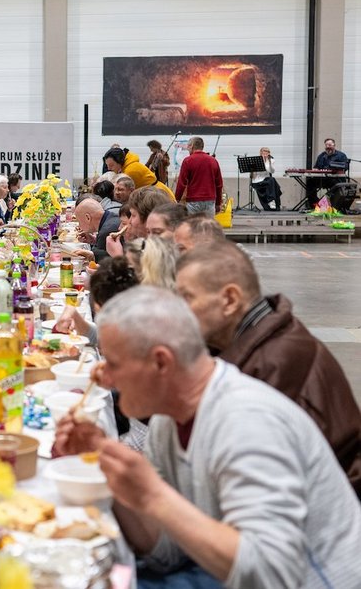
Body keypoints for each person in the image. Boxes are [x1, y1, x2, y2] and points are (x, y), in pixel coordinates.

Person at [57, 286, 361, 588]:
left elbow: (272, 573)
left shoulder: (246, 421)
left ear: (161, 362)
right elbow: (169, 551)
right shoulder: (167, 420)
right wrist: (109, 470)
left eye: (112, 363)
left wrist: (153, 495)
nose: (102, 377)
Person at [176, 241, 361, 495]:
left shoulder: (272, 364)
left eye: (187, 297)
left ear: (230, 300)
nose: (178, 310)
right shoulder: (256, 341)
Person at [173, 137, 223, 217]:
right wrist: (218, 203)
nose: (188, 150)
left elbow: (181, 183)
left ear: (192, 146)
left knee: (193, 226)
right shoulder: (213, 161)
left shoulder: (188, 161)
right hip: (210, 200)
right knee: (208, 226)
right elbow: (219, 184)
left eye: (188, 147)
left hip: (193, 201)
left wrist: (176, 199)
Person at [103, 147, 175, 200]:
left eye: (111, 165)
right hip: (154, 193)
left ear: (120, 161)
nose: (109, 168)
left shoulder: (130, 171)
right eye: (107, 165)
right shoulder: (128, 165)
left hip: (159, 196)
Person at [72, 196, 119, 263]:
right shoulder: (110, 216)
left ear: (88, 218)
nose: (79, 225)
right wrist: (94, 240)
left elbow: (103, 263)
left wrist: (92, 255)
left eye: (79, 221)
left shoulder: (106, 231)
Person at [308, 137, 349, 207]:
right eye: (326, 145)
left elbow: (345, 167)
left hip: (336, 179)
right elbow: (316, 167)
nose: (328, 147)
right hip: (323, 179)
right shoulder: (321, 156)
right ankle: (315, 204)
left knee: (336, 185)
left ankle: (333, 205)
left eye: (329, 145)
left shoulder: (341, 155)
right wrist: (315, 170)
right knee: (310, 182)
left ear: (334, 145)